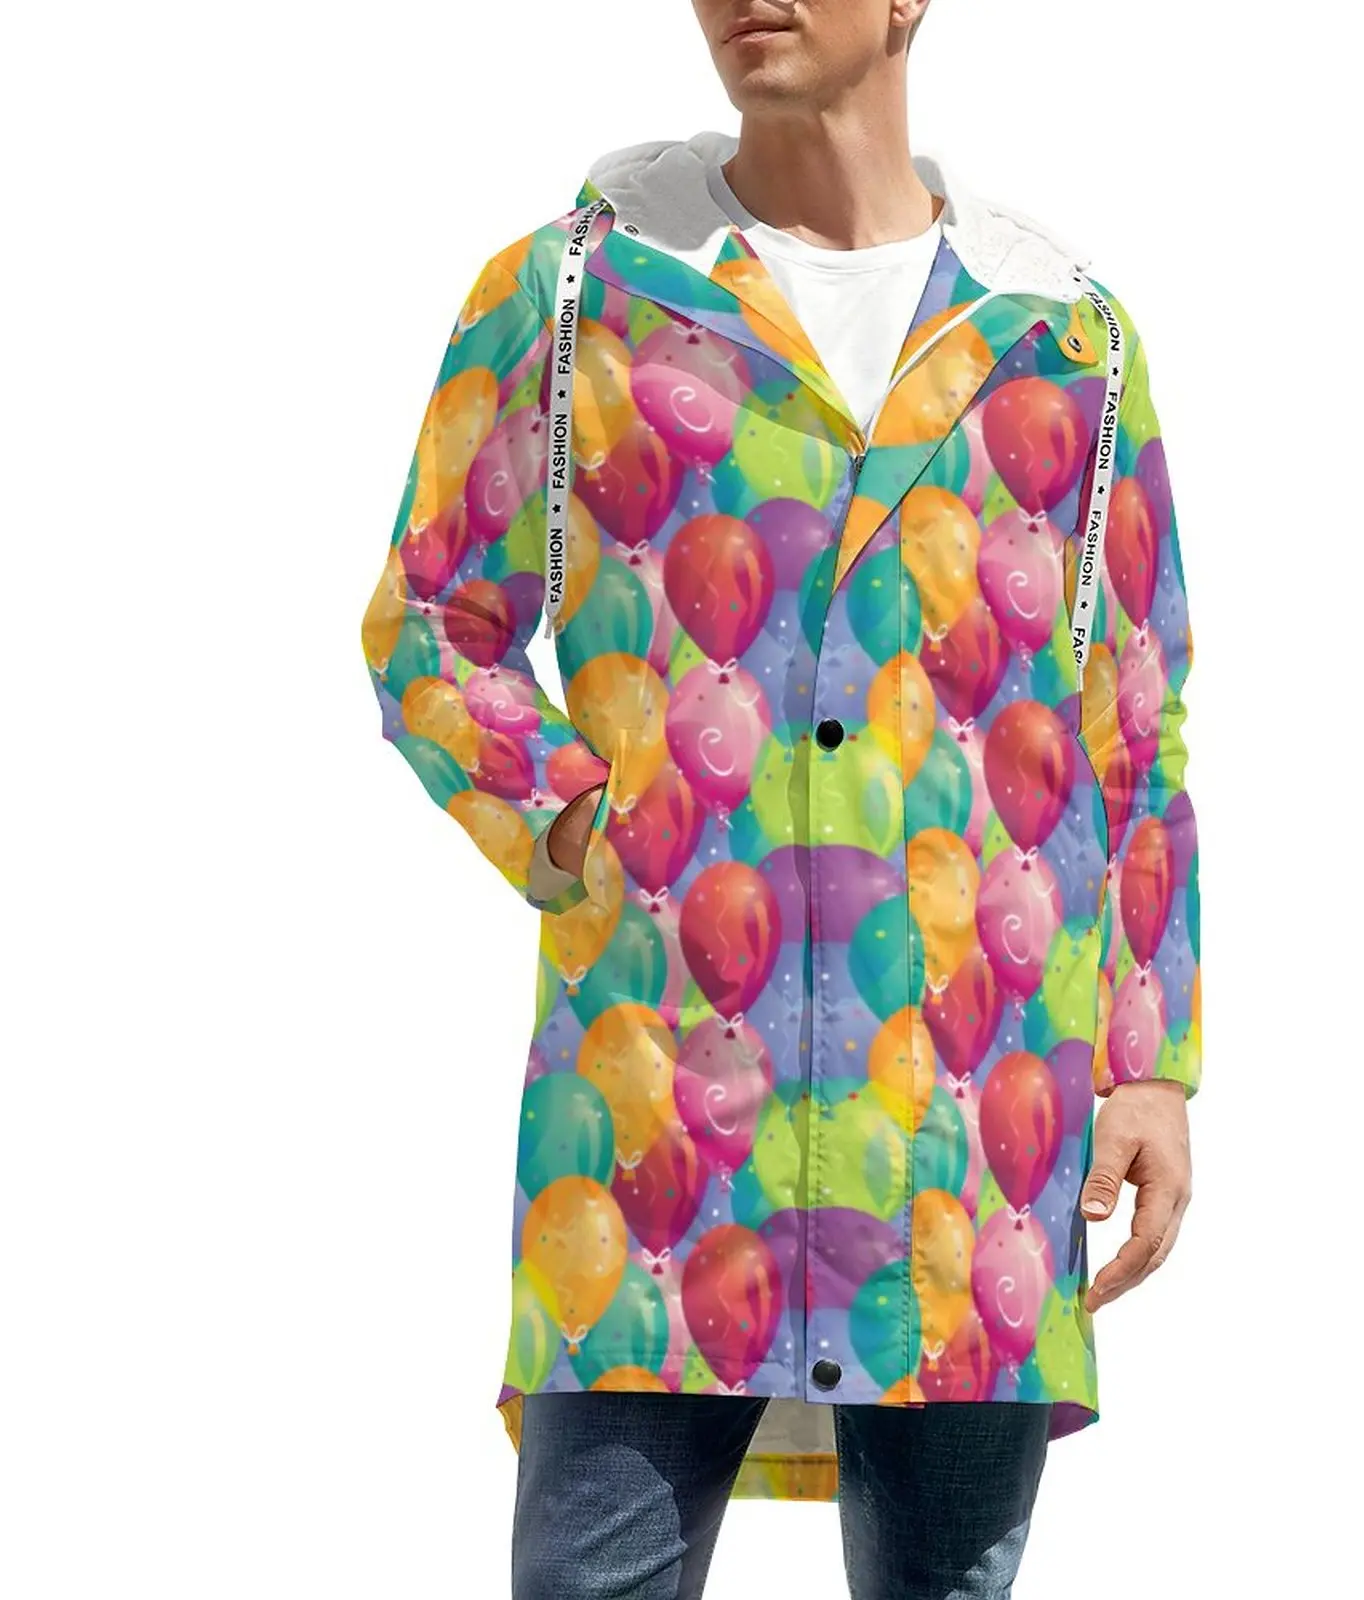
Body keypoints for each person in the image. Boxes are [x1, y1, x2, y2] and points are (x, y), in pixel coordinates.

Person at [358, 2, 1200, 1594]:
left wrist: (1149, 1065)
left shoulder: (1063, 342)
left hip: (968, 1144)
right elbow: (429, 623)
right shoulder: (578, 298)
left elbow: (1132, 732)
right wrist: (576, 816)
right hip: (655, 1139)